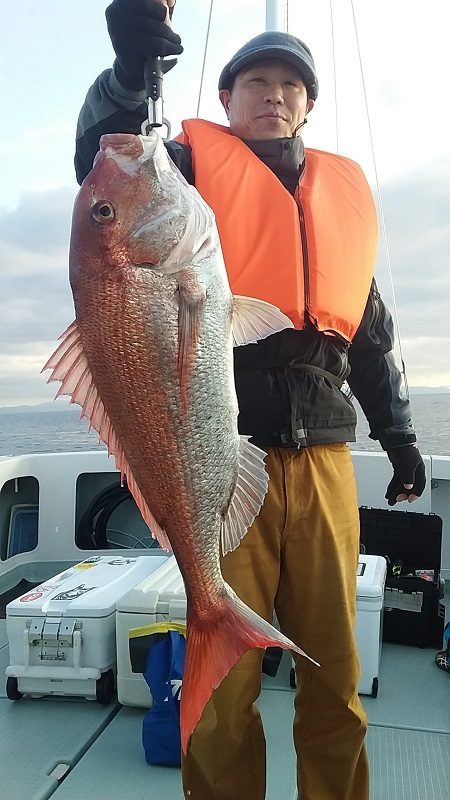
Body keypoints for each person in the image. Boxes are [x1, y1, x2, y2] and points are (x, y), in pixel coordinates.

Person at [74, 2, 426, 798]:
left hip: (326, 463)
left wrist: (400, 436)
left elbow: (370, 337)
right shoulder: (184, 177)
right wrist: (129, 73)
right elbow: (105, 166)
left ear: (308, 105)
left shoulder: (337, 201)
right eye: (256, 81)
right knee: (224, 696)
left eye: (291, 85)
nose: (274, 93)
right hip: (224, 465)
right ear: (226, 99)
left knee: (334, 676)